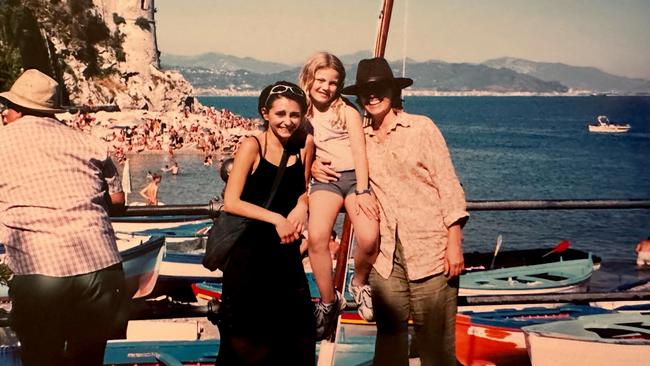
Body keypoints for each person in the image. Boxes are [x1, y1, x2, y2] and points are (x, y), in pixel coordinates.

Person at [312, 58, 469, 366]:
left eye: (379, 89)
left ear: (393, 91)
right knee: (389, 346)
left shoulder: (421, 128)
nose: (372, 96)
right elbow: (333, 159)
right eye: (366, 92)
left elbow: (449, 186)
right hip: (385, 260)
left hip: (431, 253)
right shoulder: (360, 138)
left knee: (435, 348)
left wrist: (454, 243)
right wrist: (315, 167)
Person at [0, 69, 127, 366]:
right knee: (88, 361)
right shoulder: (88, 142)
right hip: (101, 266)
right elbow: (118, 201)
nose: (4, 113)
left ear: (19, 110)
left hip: (41, 269)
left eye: (8, 107)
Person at [216, 81, 315, 365]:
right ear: (265, 113)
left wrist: (303, 206)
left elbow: (304, 188)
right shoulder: (252, 145)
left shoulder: (303, 145)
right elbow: (231, 201)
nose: (288, 121)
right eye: (280, 114)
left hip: (285, 257)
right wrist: (277, 219)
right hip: (249, 258)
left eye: (294, 114)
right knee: (246, 347)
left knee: (293, 343)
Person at [298, 52, 380, 335]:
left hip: (354, 181)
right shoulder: (303, 114)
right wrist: (314, 167)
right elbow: (298, 150)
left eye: (333, 82)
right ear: (309, 79)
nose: (326, 87)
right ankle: (329, 300)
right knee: (318, 237)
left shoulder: (347, 112)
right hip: (326, 182)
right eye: (320, 80)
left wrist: (364, 188)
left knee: (369, 236)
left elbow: (359, 152)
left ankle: (358, 283)